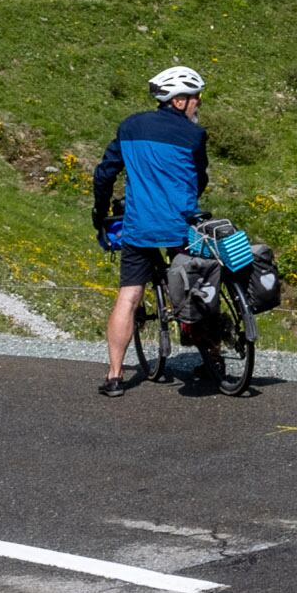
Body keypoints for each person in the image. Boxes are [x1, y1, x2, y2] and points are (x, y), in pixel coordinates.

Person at [88, 63, 209, 391]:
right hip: (180, 225)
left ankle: (114, 376)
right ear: (179, 101)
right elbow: (200, 178)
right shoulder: (195, 135)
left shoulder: (130, 127)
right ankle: (211, 359)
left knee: (129, 295)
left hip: (139, 225)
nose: (199, 103)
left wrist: (100, 211)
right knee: (195, 286)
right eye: (195, 97)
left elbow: (104, 174)